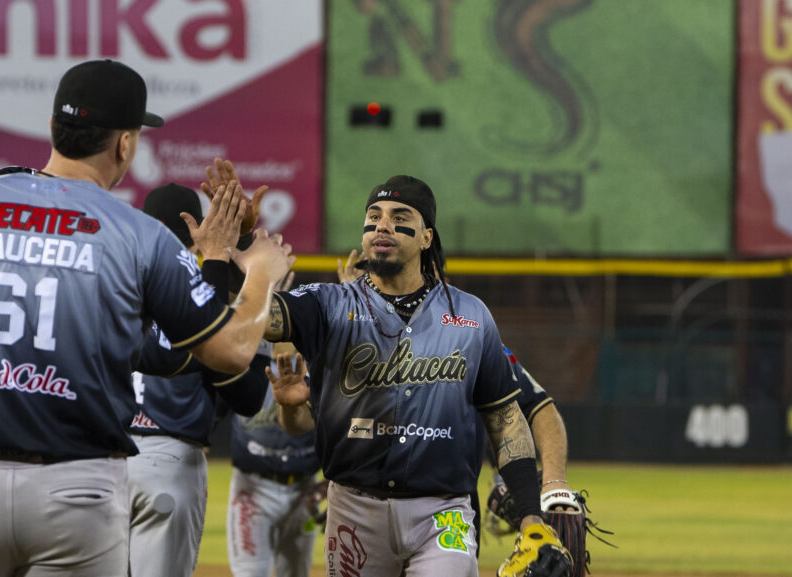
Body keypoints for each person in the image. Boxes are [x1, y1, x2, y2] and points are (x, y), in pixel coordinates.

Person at [0, 59, 293, 577]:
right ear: (125, 144)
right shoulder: (138, 235)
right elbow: (231, 353)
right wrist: (259, 270)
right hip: (77, 489)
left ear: (53, 128)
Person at [261, 173, 567, 576]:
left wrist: (531, 515)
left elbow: (505, 420)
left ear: (426, 237)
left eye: (400, 216)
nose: (382, 225)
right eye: (374, 216)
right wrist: (241, 267)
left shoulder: (470, 316)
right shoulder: (326, 304)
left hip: (444, 513)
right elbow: (247, 322)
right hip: (354, 508)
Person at [127, 183, 272, 577]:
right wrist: (235, 246)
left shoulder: (117, 274)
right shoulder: (213, 292)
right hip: (170, 457)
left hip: (98, 455)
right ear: (199, 227)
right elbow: (249, 397)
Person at [226, 340, 323, 577]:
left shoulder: (317, 359)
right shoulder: (243, 357)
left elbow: (339, 419)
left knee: (296, 573)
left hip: (305, 490)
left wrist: (332, 480)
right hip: (251, 489)